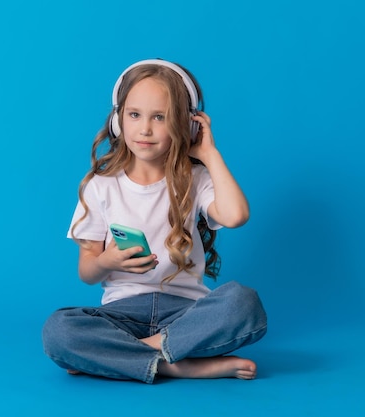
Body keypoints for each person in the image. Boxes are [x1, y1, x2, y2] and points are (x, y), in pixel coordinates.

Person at [42, 59, 267, 384]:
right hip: (123, 313)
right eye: (134, 115)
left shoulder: (195, 178)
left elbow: (236, 216)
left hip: (187, 313)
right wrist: (107, 259)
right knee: (58, 330)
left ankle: (130, 356)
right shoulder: (100, 186)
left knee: (243, 304)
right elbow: (86, 273)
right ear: (119, 120)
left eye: (159, 117)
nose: (144, 129)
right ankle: (174, 363)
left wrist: (209, 154)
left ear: (184, 126)